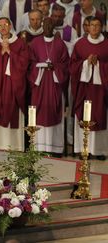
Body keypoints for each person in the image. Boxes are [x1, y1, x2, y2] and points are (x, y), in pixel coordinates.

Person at [0, 17, 29, 151]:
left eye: (5, 25)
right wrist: (1, 53)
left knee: (14, 111)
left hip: (13, 89)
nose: (2, 28)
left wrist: (10, 52)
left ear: (10, 26)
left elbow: (24, 64)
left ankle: (15, 147)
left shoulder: (20, 44)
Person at [28, 17, 70, 156]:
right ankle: (39, 148)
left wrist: (55, 67)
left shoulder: (60, 44)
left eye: (50, 25)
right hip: (40, 84)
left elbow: (65, 64)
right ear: (42, 25)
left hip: (54, 84)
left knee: (54, 111)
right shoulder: (35, 43)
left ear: (54, 27)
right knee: (39, 113)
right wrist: (40, 66)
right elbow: (30, 63)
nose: (47, 27)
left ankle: (55, 148)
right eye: (45, 24)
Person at [70, 17, 108, 160]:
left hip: (100, 90)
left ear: (102, 27)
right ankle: (83, 149)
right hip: (84, 88)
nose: (94, 28)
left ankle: (99, 150)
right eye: (92, 25)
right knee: (84, 115)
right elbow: (72, 65)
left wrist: (99, 64)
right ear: (88, 27)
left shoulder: (106, 44)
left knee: (99, 116)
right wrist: (86, 63)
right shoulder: (80, 44)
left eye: (97, 25)